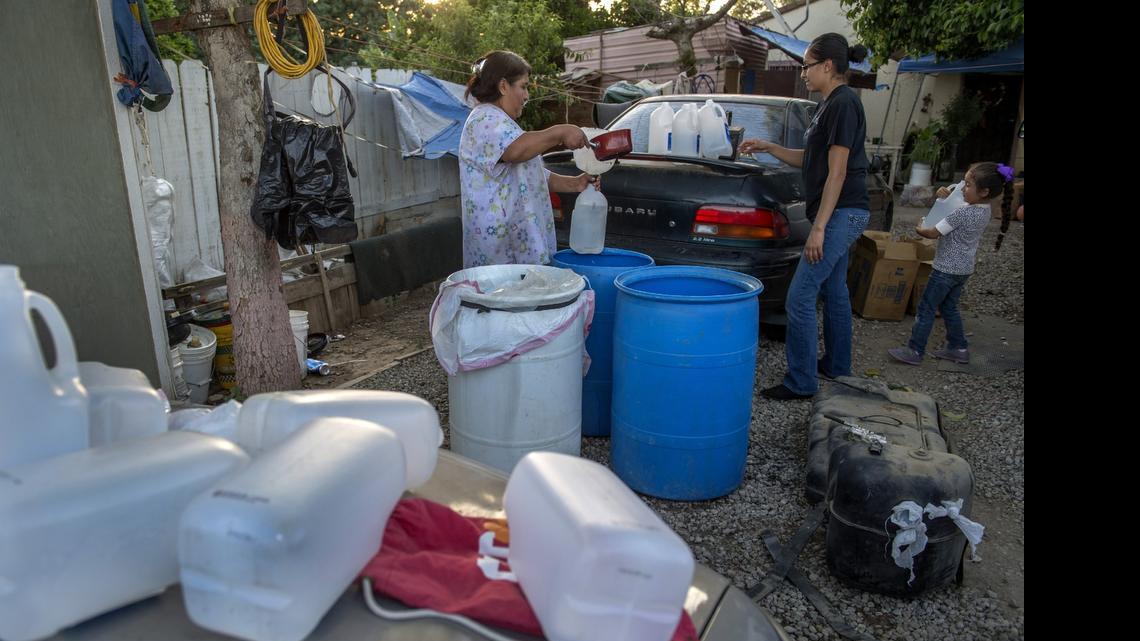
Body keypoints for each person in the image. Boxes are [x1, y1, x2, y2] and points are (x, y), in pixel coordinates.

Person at [737, 33, 871, 401]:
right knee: (834, 289)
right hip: (842, 211)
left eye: (807, 65)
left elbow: (838, 172)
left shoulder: (843, 104)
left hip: (842, 212)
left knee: (799, 297)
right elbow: (810, 160)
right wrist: (768, 147)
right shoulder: (827, 105)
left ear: (828, 66)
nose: (803, 73)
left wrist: (820, 229)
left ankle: (801, 382)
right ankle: (837, 366)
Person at [459, 50, 596, 268]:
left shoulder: (502, 123)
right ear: (503, 86)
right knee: (504, 301)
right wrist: (559, 132)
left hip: (516, 245)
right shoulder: (484, 119)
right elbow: (516, 151)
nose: (526, 96)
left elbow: (532, 174)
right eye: (523, 86)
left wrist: (575, 183)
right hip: (500, 251)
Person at [887, 162, 1013, 366]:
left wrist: (920, 227)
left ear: (984, 191)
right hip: (963, 269)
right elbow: (957, 205)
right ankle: (958, 347)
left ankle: (915, 350)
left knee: (926, 307)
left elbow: (932, 232)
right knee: (949, 307)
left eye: (969, 185)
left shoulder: (963, 213)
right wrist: (944, 198)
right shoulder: (984, 210)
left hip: (945, 269)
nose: (963, 188)